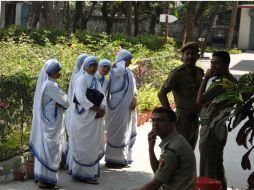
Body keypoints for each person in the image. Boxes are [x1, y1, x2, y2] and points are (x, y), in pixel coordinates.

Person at [196, 51, 237, 190]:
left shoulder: (221, 84)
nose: (213, 66)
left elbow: (199, 101)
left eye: (217, 63)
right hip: (219, 128)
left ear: (226, 65)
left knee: (207, 169)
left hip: (211, 130)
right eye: (212, 62)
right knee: (217, 166)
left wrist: (206, 78)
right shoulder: (232, 81)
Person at [29, 59, 69, 189]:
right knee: (50, 152)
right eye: (58, 71)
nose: (60, 73)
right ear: (51, 72)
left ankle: (43, 179)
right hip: (51, 124)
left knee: (46, 150)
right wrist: (61, 103)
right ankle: (46, 181)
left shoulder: (47, 84)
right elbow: (66, 101)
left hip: (49, 122)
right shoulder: (50, 85)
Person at [158, 41, 204, 150]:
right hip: (182, 119)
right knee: (180, 152)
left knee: (190, 152)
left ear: (197, 56)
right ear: (182, 57)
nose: (190, 56)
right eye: (187, 53)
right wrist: (170, 116)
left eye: (193, 53)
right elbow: (161, 93)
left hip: (195, 119)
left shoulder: (199, 72)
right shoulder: (177, 73)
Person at [137, 107, 196, 190]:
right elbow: (158, 172)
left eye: (161, 120)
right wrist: (151, 149)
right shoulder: (175, 140)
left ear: (173, 124)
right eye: (153, 120)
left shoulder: (172, 149)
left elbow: (155, 184)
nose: (155, 124)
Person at [68, 56, 106, 184]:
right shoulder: (82, 79)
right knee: (82, 145)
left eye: (95, 65)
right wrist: (96, 109)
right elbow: (80, 98)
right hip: (83, 118)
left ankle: (89, 173)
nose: (93, 67)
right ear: (85, 66)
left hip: (93, 118)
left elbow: (102, 96)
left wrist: (103, 109)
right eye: (90, 65)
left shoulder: (95, 79)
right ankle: (81, 174)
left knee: (92, 145)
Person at [105, 49, 137, 168]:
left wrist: (134, 98)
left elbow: (133, 87)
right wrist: (119, 62)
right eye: (128, 60)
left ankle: (122, 158)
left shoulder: (128, 71)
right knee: (116, 132)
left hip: (127, 107)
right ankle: (112, 159)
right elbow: (121, 70)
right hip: (116, 106)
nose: (130, 62)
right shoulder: (115, 70)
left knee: (125, 131)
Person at [65, 53, 88, 167]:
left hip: (81, 111)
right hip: (78, 111)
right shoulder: (79, 77)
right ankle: (76, 163)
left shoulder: (84, 76)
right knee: (77, 138)